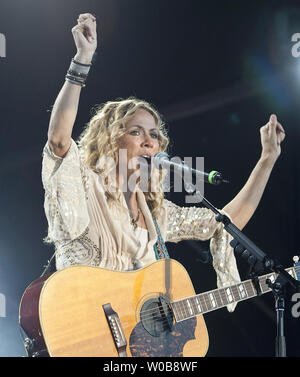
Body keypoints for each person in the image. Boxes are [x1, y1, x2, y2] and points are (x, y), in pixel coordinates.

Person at [42, 13, 285, 313]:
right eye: (136, 132)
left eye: (154, 135)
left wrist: (266, 159)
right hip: (82, 324)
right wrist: (82, 59)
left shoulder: (156, 214)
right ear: (110, 141)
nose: (149, 142)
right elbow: (58, 141)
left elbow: (222, 222)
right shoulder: (83, 184)